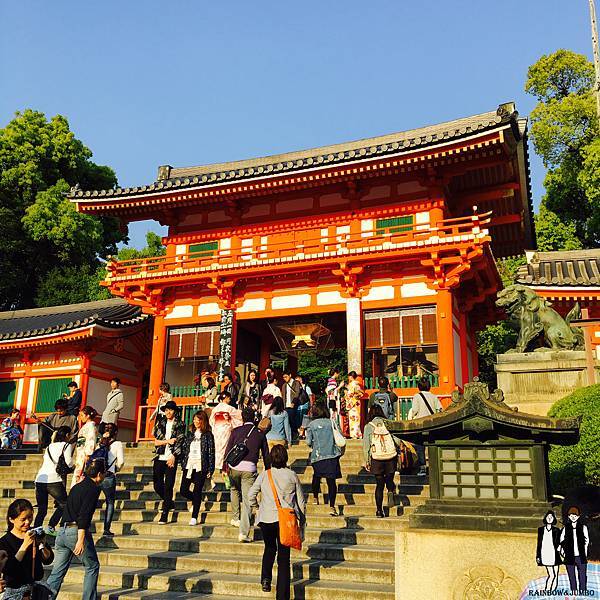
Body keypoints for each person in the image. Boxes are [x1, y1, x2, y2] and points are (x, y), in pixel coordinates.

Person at [249, 444, 306, 598]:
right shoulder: (292, 475)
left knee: (269, 548)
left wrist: (258, 507)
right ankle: (282, 595)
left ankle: (266, 579)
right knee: (283, 558)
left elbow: (250, 495)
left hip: (266, 519)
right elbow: (301, 503)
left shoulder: (264, 475)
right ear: (285, 458)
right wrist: (302, 523)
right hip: (285, 521)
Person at [45, 460, 106, 600]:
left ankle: (46, 597)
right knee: (92, 566)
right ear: (98, 474)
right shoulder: (93, 489)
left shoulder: (76, 487)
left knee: (57, 572)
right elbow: (84, 515)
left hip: (62, 531)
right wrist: (80, 540)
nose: (104, 476)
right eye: (104, 473)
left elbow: (65, 508)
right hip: (75, 531)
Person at [225, 407, 271, 542]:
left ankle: (235, 517)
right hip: (249, 469)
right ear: (254, 418)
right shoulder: (259, 433)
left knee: (234, 490)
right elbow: (266, 455)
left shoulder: (235, 431)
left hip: (233, 467)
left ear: (242, 418)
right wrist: (268, 470)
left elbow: (228, 450)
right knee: (247, 501)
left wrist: (224, 467)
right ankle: (243, 532)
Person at [0, 498, 54, 597]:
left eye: (30, 517)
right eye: (23, 519)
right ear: (11, 519)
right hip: (15, 591)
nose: (27, 522)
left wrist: (41, 545)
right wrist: (25, 545)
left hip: (37, 591)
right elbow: (9, 569)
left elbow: (48, 560)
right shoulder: (4, 542)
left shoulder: (34, 534)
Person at [33, 425, 74, 535]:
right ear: (66, 435)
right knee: (65, 504)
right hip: (53, 480)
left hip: (40, 478)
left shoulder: (49, 447)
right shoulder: (67, 445)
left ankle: (36, 530)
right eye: (70, 434)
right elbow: (69, 462)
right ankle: (51, 526)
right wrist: (75, 466)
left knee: (42, 509)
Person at [305, 403, 342, 517]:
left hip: (318, 455)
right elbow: (339, 435)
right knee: (331, 482)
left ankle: (315, 497)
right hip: (332, 454)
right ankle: (332, 505)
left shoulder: (312, 425)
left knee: (317, 476)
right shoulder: (332, 422)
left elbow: (308, 442)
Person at [152, 400, 186, 524]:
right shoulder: (160, 423)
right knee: (157, 485)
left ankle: (165, 513)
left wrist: (173, 456)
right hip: (159, 456)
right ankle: (169, 502)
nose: (168, 412)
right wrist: (167, 441)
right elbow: (156, 442)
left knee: (169, 485)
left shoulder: (180, 424)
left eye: (170, 410)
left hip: (171, 457)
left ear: (174, 411)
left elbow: (179, 441)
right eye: (166, 410)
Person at [179, 410, 215, 526]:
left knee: (197, 490)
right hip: (189, 465)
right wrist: (182, 463)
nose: (195, 421)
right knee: (183, 490)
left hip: (201, 465)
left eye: (198, 419)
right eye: (194, 419)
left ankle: (194, 516)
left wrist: (210, 469)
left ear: (203, 421)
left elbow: (211, 452)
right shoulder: (190, 434)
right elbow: (185, 449)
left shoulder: (208, 435)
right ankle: (195, 501)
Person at [363, 405, 399, 518]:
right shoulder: (388, 423)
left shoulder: (368, 426)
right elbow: (397, 440)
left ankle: (379, 511)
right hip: (390, 456)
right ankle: (391, 489)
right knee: (389, 478)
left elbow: (366, 446)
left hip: (377, 458)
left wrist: (367, 460)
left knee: (379, 485)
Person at [408, 378, 442, 475]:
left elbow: (414, 410)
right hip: (432, 425)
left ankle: (422, 468)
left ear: (419, 386)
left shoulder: (417, 396)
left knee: (420, 447)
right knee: (432, 445)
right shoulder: (434, 396)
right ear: (429, 386)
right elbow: (440, 409)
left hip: (421, 425)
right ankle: (434, 467)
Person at [98, 423, 124, 537]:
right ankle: (106, 529)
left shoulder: (100, 442)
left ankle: (86, 526)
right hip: (109, 475)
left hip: (97, 475)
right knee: (110, 502)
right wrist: (116, 469)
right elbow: (121, 461)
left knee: (92, 501)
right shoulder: (117, 444)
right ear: (116, 432)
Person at [209, 391, 242, 471]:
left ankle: (217, 464)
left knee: (217, 447)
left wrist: (214, 427)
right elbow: (239, 416)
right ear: (226, 398)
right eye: (229, 398)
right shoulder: (229, 408)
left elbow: (211, 421)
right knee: (225, 447)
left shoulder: (216, 409)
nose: (230, 400)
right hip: (226, 429)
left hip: (217, 430)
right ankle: (223, 465)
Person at [559, 505, 589, 592]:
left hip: (581, 555)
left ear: (578, 516)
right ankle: (574, 592)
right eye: (571, 516)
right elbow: (561, 541)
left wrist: (585, 553)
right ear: (569, 516)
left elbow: (586, 541)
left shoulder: (583, 528)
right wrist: (563, 553)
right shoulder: (565, 528)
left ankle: (583, 592)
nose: (573, 517)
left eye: (575, 516)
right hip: (569, 556)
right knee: (571, 576)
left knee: (582, 575)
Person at [72, 406, 98, 488]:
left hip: (85, 454)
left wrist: (88, 454)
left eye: (82, 415)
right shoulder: (86, 426)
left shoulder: (90, 427)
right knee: (78, 473)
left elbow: (91, 440)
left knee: (81, 473)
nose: (81, 417)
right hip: (81, 452)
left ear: (88, 416)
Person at [536, 510, 561, 592]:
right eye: (548, 517)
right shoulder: (541, 530)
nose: (549, 519)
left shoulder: (556, 530)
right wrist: (538, 556)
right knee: (551, 575)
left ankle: (553, 590)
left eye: (551, 517)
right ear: (545, 518)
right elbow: (539, 544)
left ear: (553, 519)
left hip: (555, 553)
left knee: (556, 575)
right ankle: (547, 590)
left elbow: (560, 542)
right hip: (546, 553)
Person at [281, 370, 301, 436]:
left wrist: (293, 402)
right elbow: (283, 396)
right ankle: (290, 435)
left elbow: (297, 393)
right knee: (287, 422)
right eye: (283, 377)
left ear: (290, 375)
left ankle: (294, 434)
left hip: (293, 405)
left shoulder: (296, 383)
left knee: (292, 420)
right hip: (286, 406)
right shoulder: (284, 385)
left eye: (286, 377)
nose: (285, 379)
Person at [345, 371, 364, 439]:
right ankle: (358, 433)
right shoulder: (357, 384)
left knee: (353, 419)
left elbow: (349, 395)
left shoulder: (351, 385)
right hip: (356, 403)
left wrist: (346, 394)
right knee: (356, 418)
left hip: (352, 403)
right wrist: (356, 397)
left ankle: (354, 435)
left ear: (351, 377)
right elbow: (361, 393)